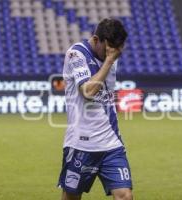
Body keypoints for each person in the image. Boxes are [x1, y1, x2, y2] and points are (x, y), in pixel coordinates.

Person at [58, 18, 133, 200]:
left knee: (125, 196)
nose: (116, 53)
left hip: (111, 143)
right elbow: (88, 91)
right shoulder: (76, 54)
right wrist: (108, 61)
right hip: (81, 144)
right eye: (111, 48)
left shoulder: (110, 53)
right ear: (96, 39)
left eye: (119, 48)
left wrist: (109, 58)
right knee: (71, 196)